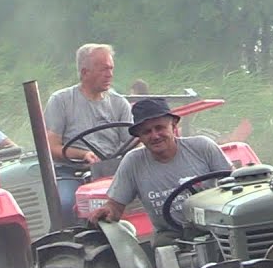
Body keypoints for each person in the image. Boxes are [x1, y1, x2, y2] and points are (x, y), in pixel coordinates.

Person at [87, 98, 231, 245]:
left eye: (160, 127)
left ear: (173, 125)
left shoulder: (202, 147)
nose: (155, 136)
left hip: (216, 227)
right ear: (139, 137)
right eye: (147, 131)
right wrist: (107, 211)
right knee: (162, 248)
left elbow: (234, 185)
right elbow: (115, 207)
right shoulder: (133, 163)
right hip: (171, 234)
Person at [44, 44, 134, 221]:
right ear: (85, 73)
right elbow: (51, 147)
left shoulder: (119, 103)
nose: (110, 74)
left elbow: (131, 143)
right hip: (73, 172)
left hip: (114, 170)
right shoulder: (61, 101)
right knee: (65, 204)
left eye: (111, 68)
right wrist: (83, 154)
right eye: (103, 69)